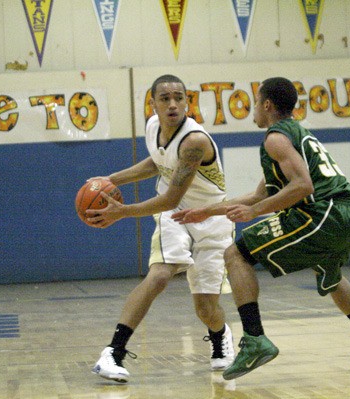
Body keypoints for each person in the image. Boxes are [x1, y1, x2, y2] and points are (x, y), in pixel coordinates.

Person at [172, 77, 350, 380]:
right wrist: (206, 212)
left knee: (237, 253)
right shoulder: (296, 133)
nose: (253, 108)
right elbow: (259, 195)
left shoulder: (275, 139)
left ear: (267, 105)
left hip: (323, 215)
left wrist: (253, 212)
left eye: (255, 101)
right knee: (327, 270)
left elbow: (302, 186)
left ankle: (255, 338)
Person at [87, 74, 235, 383]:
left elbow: (170, 195)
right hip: (176, 215)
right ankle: (113, 352)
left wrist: (122, 212)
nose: (172, 104)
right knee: (160, 275)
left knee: (206, 308)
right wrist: (111, 180)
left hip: (211, 217)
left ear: (186, 101)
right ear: (152, 103)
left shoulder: (195, 141)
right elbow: (158, 162)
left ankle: (221, 336)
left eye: (178, 98)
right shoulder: (154, 127)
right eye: (164, 98)